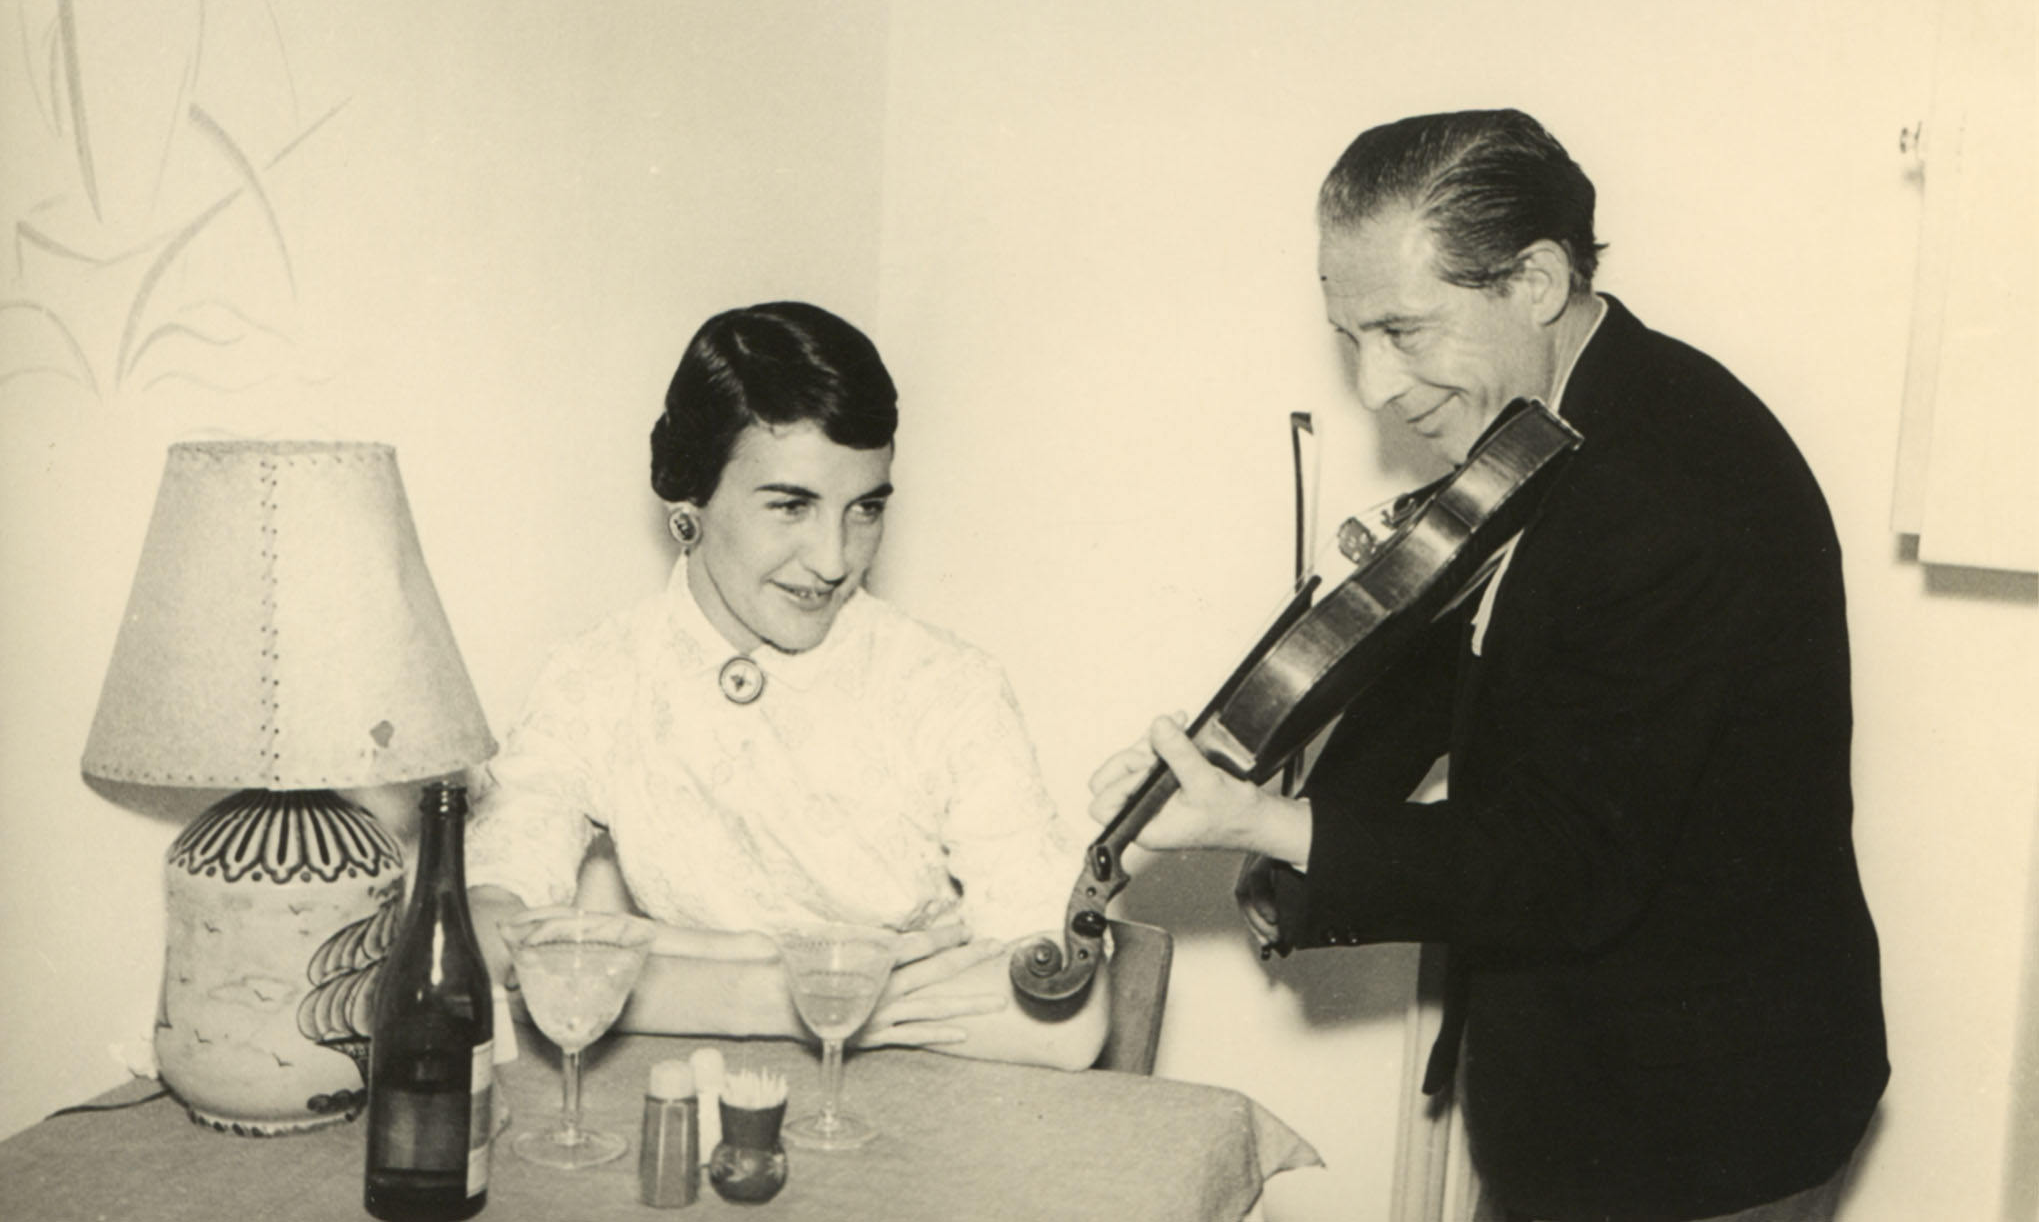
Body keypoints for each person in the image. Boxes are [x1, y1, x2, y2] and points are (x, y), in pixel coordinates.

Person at [1089, 110, 1886, 1219]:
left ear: (1536, 280)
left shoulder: (1669, 493)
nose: (1374, 385)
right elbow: (1452, 655)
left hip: (1695, 1122)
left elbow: (1567, 860)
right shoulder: (1556, 421)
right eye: (1348, 336)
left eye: (1403, 330)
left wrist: (1274, 827)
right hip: (1576, 1075)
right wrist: (1265, 784)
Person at [468, 300, 1109, 1071]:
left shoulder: (946, 686)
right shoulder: (596, 677)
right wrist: (788, 994)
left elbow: (1065, 1020)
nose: (834, 559)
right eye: (790, 505)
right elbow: (482, 942)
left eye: (864, 509)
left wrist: (673, 959)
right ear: (690, 500)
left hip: (929, 1103)